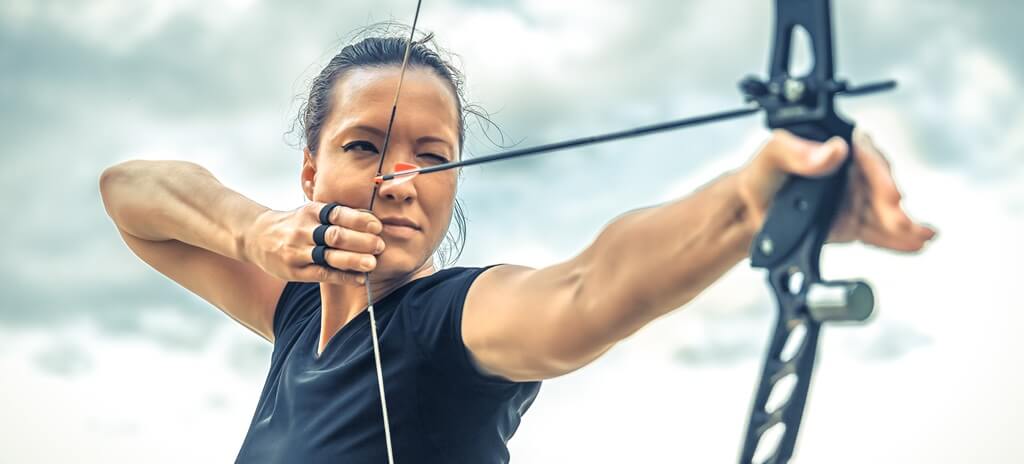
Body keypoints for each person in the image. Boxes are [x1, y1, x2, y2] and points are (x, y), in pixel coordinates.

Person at [98, 32, 936, 464]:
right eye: (365, 147)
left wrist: (755, 199)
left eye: (434, 156)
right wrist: (253, 228)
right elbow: (128, 195)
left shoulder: (447, 326)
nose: (403, 180)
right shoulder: (290, 316)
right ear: (310, 170)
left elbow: (587, 290)